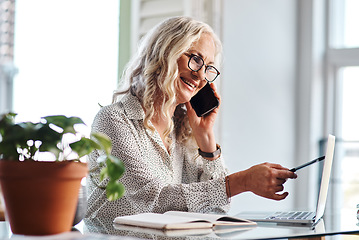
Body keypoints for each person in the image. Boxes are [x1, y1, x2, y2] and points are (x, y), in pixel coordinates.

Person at [85, 16, 297, 220]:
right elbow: (152, 199)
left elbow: (217, 207)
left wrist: (206, 138)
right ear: (165, 52)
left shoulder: (182, 130)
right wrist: (243, 181)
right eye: (196, 59)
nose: (201, 76)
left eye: (208, 67)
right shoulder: (114, 120)